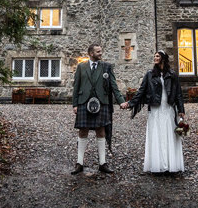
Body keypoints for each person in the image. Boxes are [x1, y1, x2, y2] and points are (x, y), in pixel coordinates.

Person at [123, 50, 185, 173]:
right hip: (155, 109)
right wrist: (129, 103)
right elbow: (141, 91)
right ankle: (159, 165)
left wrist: (181, 109)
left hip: (168, 109)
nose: (155, 58)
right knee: (157, 135)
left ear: (163, 58)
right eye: (154, 56)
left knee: (169, 135)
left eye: (157, 56)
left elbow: (178, 93)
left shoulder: (172, 74)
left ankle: (170, 164)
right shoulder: (150, 74)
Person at [72, 43, 126, 174]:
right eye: (98, 51)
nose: (100, 53)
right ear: (91, 53)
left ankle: (102, 163)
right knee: (82, 131)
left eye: (101, 51)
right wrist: (74, 104)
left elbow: (114, 85)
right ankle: (79, 163)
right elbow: (76, 86)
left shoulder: (106, 67)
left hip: (102, 102)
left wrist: (121, 101)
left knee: (101, 131)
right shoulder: (81, 67)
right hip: (84, 102)